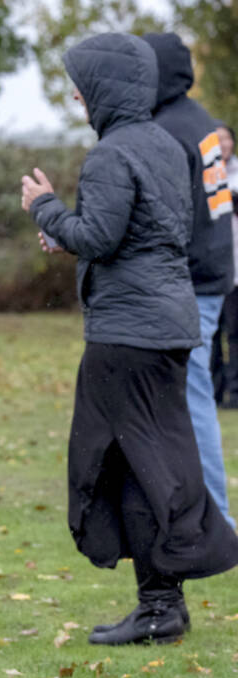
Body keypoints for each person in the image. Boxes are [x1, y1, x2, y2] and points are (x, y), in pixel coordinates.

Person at [23, 32, 238, 645]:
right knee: (142, 461)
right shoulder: (169, 146)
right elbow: (145, 231)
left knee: (122, 463)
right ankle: (162, 603)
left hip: (126, 333)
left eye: (81, 85)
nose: (74, 95)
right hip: (166, 323)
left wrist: (45, 208)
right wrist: (70, 231)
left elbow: (101, 237)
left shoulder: (112, 155)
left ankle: (168, 592)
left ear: (104, 90)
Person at [143, 33, 236, 526]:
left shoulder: (168, 129)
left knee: (193, 396)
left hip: (192, 277)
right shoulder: (196, 118)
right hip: (214, 271)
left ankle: (216, 518)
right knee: (187, 394)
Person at [214, 123, 238, 408]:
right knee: (211, 333)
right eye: (217, 140)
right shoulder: (203, 175)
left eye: (227, 139)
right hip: (211, 267)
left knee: (235, 333)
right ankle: (215, 390)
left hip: (235, 267)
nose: (223, 144)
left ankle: (235, 391)